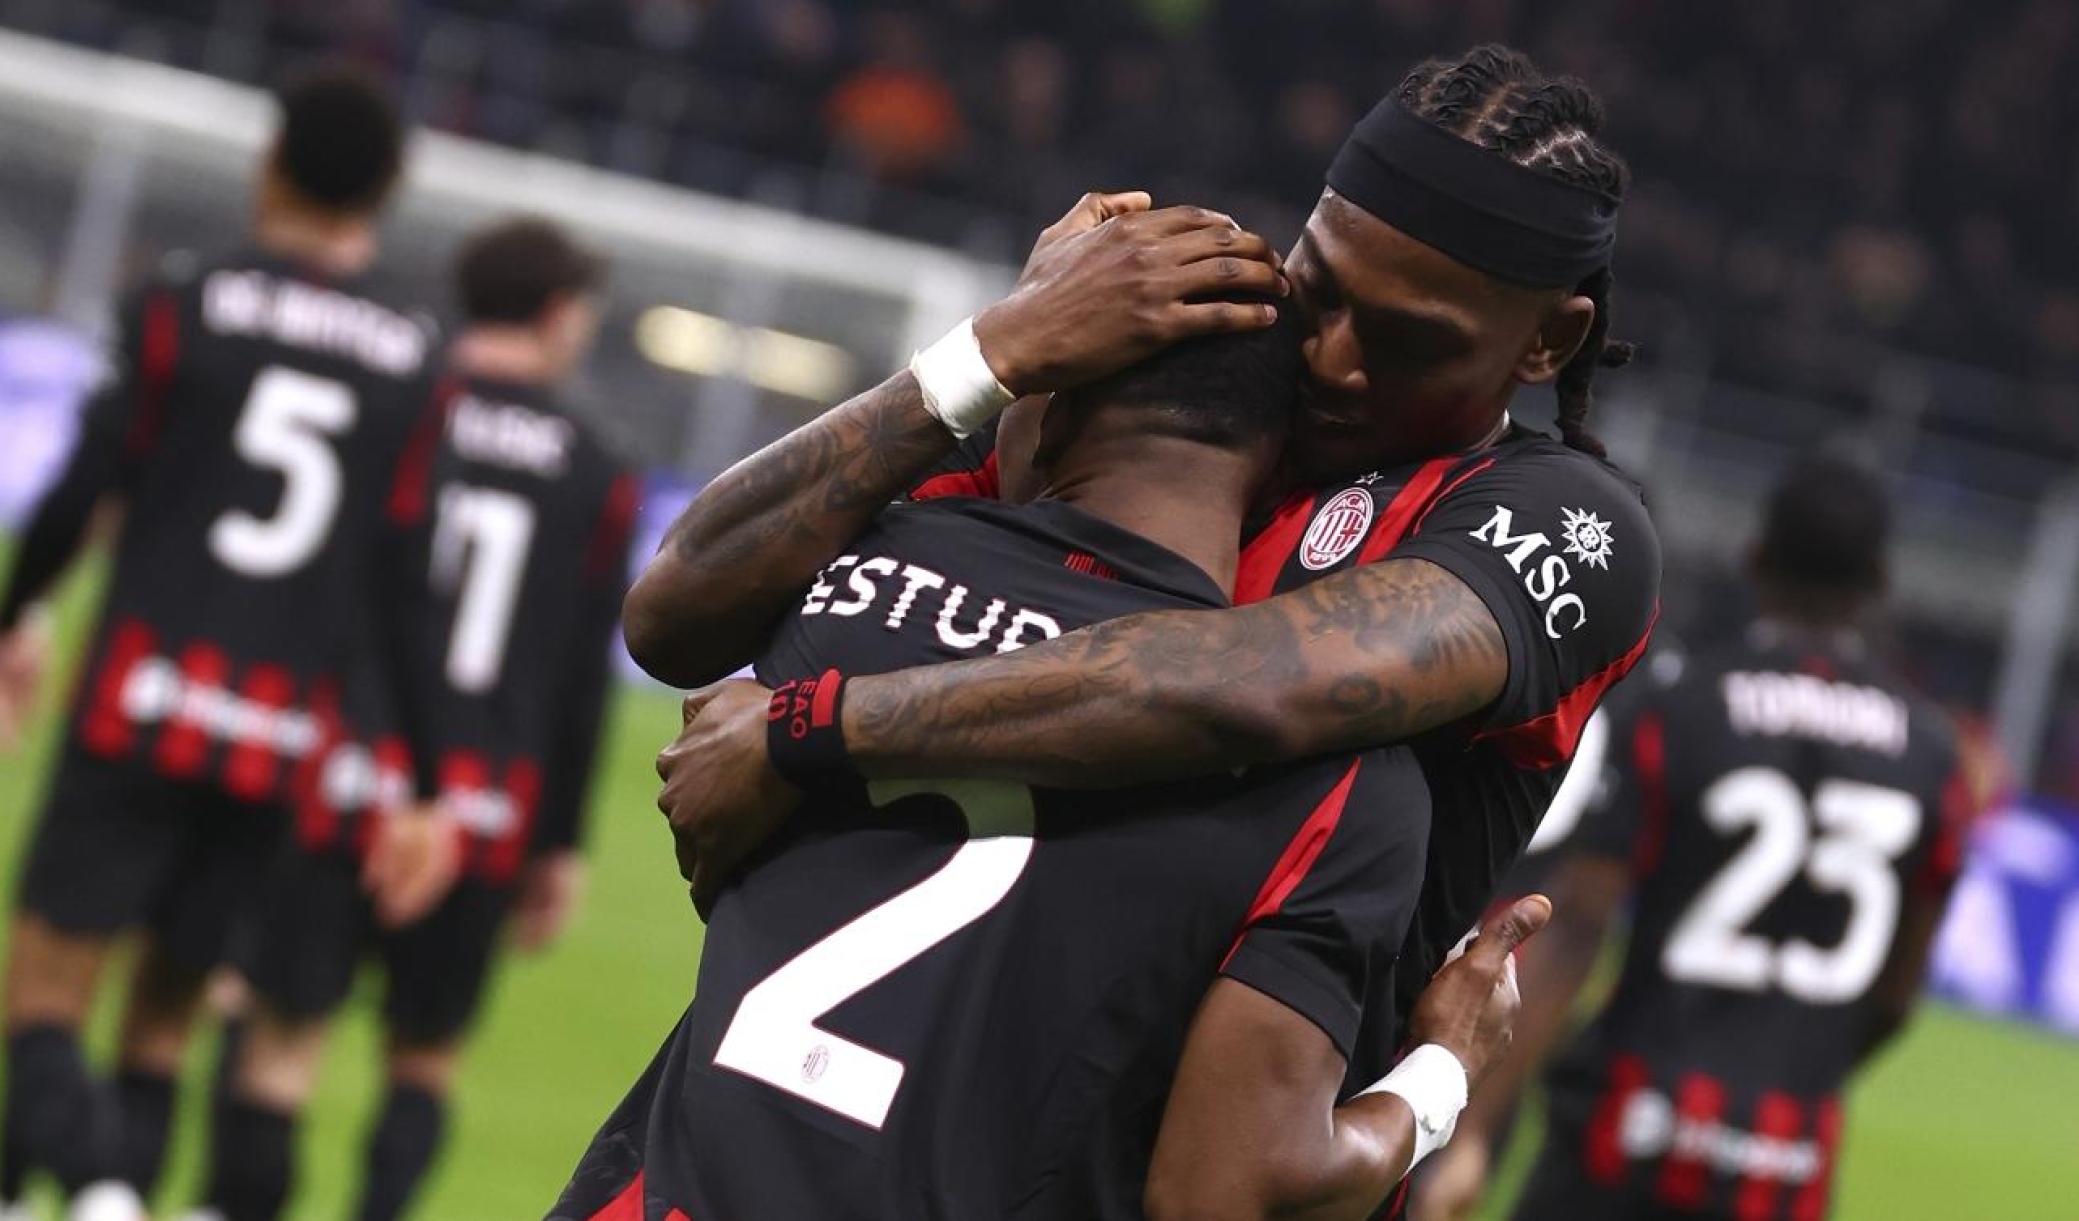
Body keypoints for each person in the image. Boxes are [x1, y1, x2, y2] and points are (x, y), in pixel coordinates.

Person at [641, 39, 1657, 1141]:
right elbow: (677, 613)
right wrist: (995, 351)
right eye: (1318, 290)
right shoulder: (1198, 389)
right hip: (905, 1118)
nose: (1333, 360)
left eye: (1410, 340)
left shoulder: (1565, 521)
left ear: (1549, 342)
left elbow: (1259, 688)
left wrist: (812, 727)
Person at [553, 301, 1547, 1221]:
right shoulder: (1344, 784)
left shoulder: (856, 585)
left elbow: (687, 667)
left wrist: (991, 349)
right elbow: (1224, 1192)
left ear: (1052, 410)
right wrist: (1443, 1072)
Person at [0, 67, 450, 1221]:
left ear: (270, 167)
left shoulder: (184, 302)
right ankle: (107, 1192)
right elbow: (405, 584)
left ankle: (92, 1194)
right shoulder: (416, 364)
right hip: (278, 738)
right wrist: (423, 783)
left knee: (42, 997)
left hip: (139, 700)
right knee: (166, 1021)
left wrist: (16, 614)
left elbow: (85, 482)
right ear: (384, 195)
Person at [195, 218, 637, 1221]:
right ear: (558, 313)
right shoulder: (598, 468)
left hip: (343, 773)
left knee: (277, 1034)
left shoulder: (401, 407)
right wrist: (558, 843)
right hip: (486, 806)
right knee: (424, 1058)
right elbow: (582, 675)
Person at [1412, 454, 1973, 1221]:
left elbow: (1580, 926)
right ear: (1880, 578)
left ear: (1755, 557)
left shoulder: (1683, 708)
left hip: (1629, 1136)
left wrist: (1474, 1132)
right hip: (1785, 1167)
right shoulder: (1933, 757)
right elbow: (1896, 999)